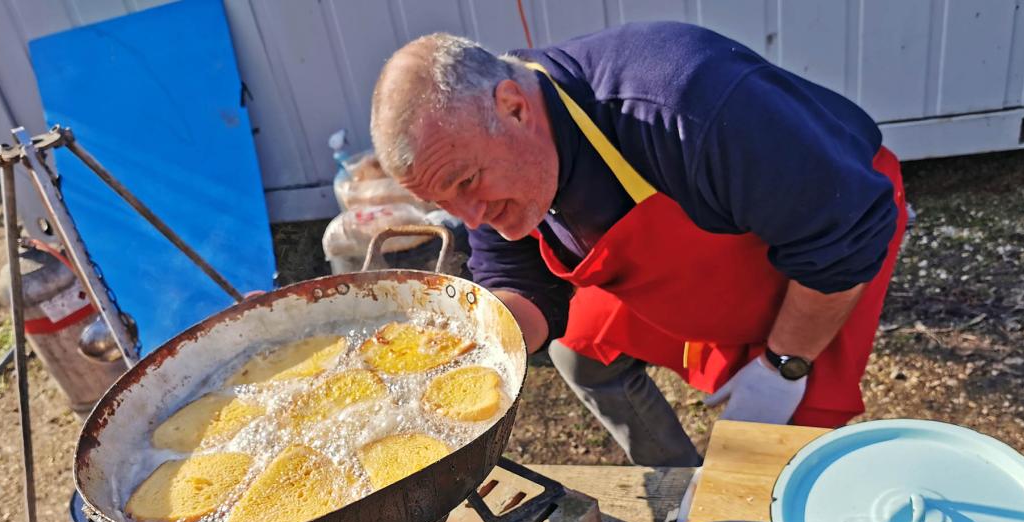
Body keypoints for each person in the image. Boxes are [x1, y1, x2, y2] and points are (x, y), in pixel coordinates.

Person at [370, 22, 907, 466]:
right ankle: (680, 480)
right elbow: (517, 274)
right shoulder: (493, 149)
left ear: (514, 107)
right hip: (698, 274)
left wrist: (783, 366)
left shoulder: (685, 105)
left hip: (823, 241)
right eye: (448, 205)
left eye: (467, 184)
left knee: (782, 459)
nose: (472, 218)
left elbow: (845, 230)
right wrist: (474, 355)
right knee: (582, 352)